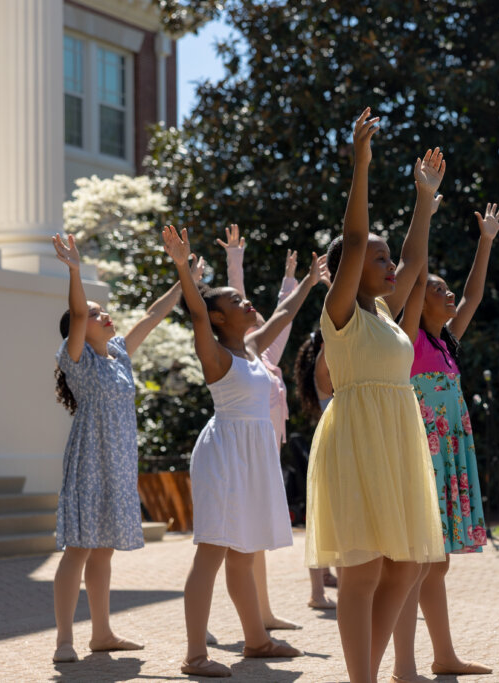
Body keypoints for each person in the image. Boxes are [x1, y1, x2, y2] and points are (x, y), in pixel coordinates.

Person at [304, 109, 445, 683]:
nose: (390, 266)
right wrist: (361, 163)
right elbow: (357, 236)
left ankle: (367, 673)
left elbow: (416, 262)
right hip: (356, 441)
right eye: (377, 260)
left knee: (408, 564)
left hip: (395, 440)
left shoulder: (385, 316)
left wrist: (424, 201)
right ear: (350, 269)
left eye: (387, 259)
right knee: (361, 573)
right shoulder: (339, 313)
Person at [162, 225, 319, 677]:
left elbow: (283, 315)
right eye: (236, 302)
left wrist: (309, 281)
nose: (248, 303)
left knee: (245, 552)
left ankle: (256, 641)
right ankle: (194, 655)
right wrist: (181, 267)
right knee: (212, 551)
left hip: (252, 453)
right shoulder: (213, 352)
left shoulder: (251, 348)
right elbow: (194, 311)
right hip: (225, 451)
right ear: (217, 318)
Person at [49, 234, 204, 664]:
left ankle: (102, 634)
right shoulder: (76, 356)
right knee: (79, 548)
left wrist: (183, 275)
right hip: (88, 463)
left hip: (118, 463)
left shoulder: (118, 354)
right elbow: (78, 311)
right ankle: (65, 639)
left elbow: (154, 315)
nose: (106, 316)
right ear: (80, 328)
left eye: (104, 311)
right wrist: (75, 270)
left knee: (103, 549)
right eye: (98, 315)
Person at [390, 203, 499, 680]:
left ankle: (443, 656)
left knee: (435, 567)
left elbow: (475, 295)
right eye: (439, 291)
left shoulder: (445, 342)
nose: (449, 295)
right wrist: (426, 215)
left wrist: (485, 242)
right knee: (416, 567)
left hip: (448, 461)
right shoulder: (410, 340)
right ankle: (404, 667)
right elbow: (415, 279)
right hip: (423, 461)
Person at [216, 224, 303, 630]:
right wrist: (235, 258)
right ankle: (249, 616)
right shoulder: (242, 355)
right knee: (237, 536)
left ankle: (264, 613)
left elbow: (285, 312)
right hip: (241, 450)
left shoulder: (269, 354)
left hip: (267, 449)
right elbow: (237, 296)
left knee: (259, 535)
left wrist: (291, 279)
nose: (254, 311)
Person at [292, 327, 338, 610]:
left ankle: (322, 586)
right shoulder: (326, 370)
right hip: (333, 454)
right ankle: (317, 593)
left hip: (339, 451)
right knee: (322, 523)